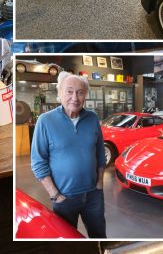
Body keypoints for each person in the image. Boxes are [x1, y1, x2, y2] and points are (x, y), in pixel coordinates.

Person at [31, 71, 107, 238]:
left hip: (93, 195)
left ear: (85, 95)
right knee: (66, 242)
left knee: (99, 236)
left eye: (80, 92)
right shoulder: (45, 121)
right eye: (69, 91)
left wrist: (100, 183)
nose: (75, 97)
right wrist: (55, 195)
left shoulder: (92, 118)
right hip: (64, 198)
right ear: (59, 93)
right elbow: (38, 162)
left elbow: (101, 153)